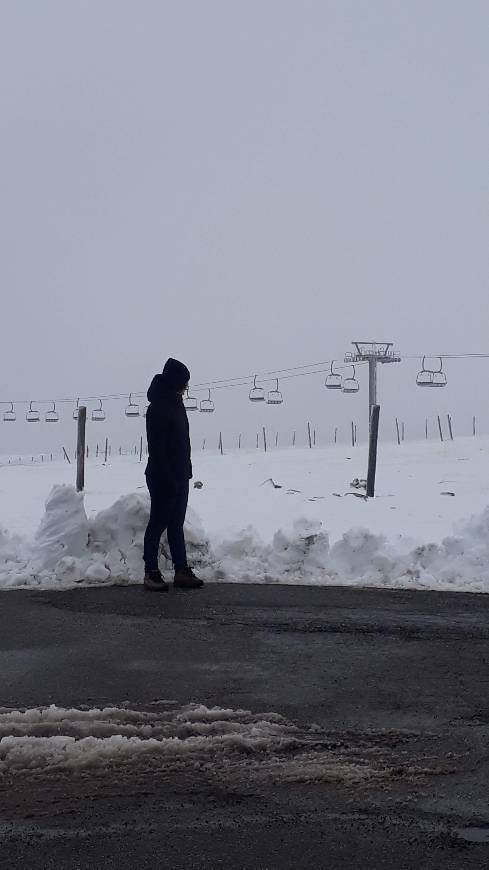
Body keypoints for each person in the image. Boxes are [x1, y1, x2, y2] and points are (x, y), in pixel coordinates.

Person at [143, 358, 203, 591]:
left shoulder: (175, 403)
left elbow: (180, 442)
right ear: (175, 381)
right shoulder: (157, 407)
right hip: (162, 476)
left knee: (176, 524)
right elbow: (157, 448)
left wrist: (185, 472)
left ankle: (181, 571)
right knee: (157, 523)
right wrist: (168, 478)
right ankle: (151, 573)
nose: (185, 388)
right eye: (184, 384)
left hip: (179, 474)